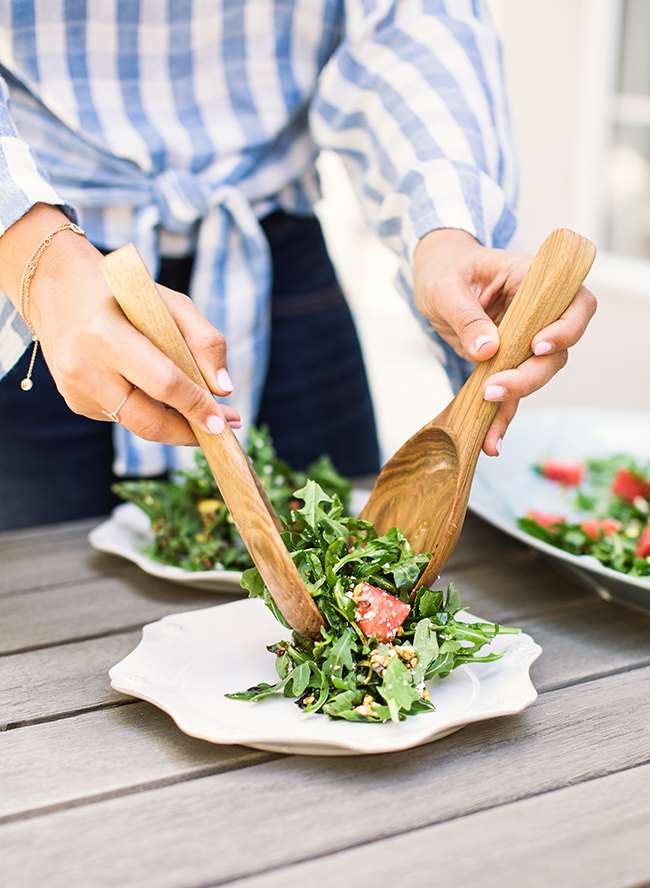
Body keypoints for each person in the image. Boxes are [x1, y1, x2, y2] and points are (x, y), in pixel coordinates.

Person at [0, 2, 595, 530]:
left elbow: (411, 18)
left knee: (348, 539)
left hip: (278, 250)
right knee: (47, 601)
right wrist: (41, 262)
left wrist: (447, 227)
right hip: (44, 256)